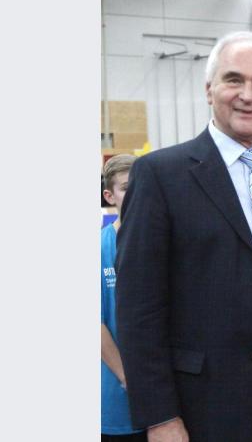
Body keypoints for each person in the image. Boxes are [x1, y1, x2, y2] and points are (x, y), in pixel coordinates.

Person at [115, 31, 252, 442]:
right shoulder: (161, 175)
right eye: (234, 79)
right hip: (211, 400)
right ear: (209, 89)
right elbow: (138, 308)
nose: (248, 95)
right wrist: (160, 416)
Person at [101, 154, 145, 441]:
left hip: (167, 399)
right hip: (118, 399)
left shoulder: (166, 241)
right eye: (126, 187)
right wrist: (128, 379)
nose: (135, 194)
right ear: (110, 195)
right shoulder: (99, 247)